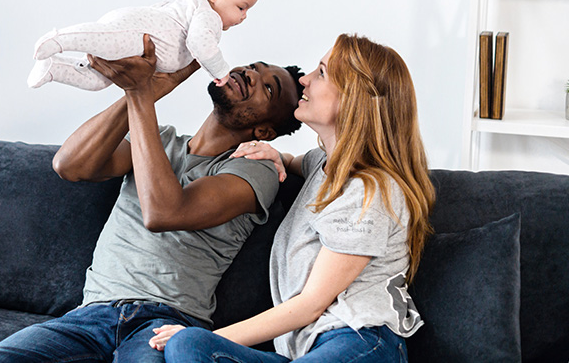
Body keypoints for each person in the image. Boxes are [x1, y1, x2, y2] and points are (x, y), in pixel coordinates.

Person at [0, 34, 304, 363]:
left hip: (165, 323)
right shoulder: (158, 141)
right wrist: (145, 90)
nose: (253, 75)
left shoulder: (257, 171)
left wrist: (140, 93)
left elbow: (164, 212)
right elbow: (69, 165)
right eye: (255, 67)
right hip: (89, 317)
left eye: (268, 88)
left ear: (264, 132)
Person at [148, 34, 435, 363]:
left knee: (193, 342)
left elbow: (311, 304)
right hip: (306, 352)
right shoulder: (321, 165)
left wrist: (211, 335)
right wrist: (274, 154)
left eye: (322, 73)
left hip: (360, 342)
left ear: (355, 99)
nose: (305, 79)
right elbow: (293, 162)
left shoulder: (369, 190)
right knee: (188, 349)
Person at [27, 0, 262, 91]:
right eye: (242, 7)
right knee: (103, 41)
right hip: (135, 34)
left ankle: (53, 68)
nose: (244, 16)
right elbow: (200, 43)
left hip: (135, 39)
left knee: (99, 80)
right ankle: (59, 40)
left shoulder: (188, 8)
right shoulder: (207, 15)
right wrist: (221, 71)